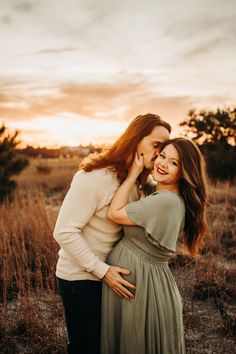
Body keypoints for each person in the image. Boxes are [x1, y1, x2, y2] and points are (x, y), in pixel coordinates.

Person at [53, 113, 171, 354]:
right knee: (86, 347)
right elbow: (64, 232)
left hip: (108, 277)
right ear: (136, 139)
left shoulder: (136, 182)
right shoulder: (96, 177)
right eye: (156, 145)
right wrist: (103, 271)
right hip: (81, 277)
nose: (159, 154)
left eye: (164, 148)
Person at [101, 137, 208, 354]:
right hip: (144, 281)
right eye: (162, 156)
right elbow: (148, 184)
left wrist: (133, 173)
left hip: (141, 285)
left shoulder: (164, 201)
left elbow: (113, 213)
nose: (162, 164)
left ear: (184, 171)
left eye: (173, 162)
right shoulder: (165, 195)